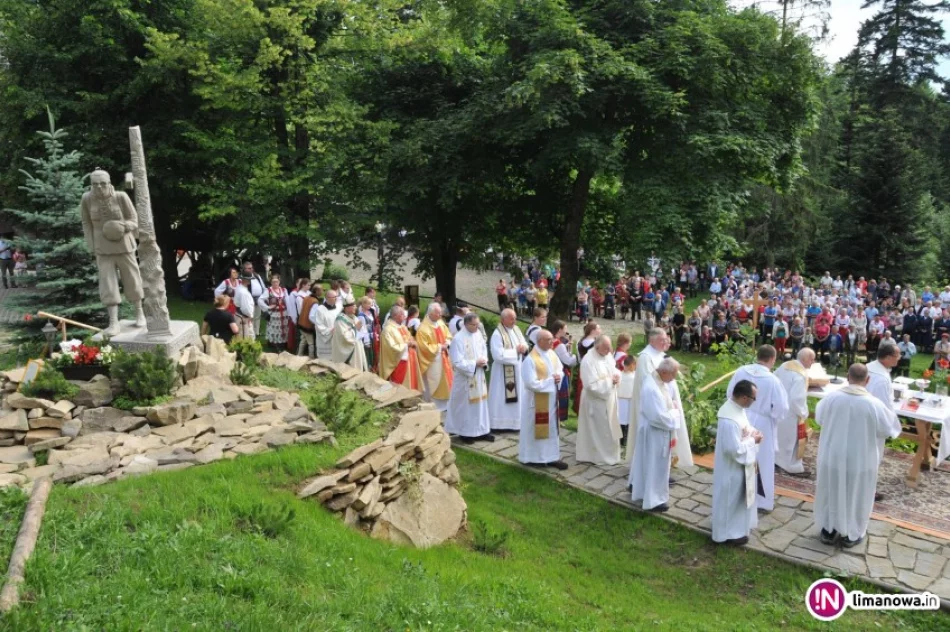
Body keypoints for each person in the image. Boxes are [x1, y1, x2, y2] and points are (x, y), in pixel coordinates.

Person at [814, 364, 902, 547]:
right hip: (860, 459)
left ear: (848, 376)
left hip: (833, 455)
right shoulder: (874, 404)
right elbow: (888, 429)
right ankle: (852, 534)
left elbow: (819, 418)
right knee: (857, 494)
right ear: (867, 380)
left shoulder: (831, 398)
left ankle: (829, 530)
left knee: (832, 489)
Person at [80, 169, 146, 335]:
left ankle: (139, 312)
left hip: (124, 245)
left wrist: (124, 227)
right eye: (95, 184)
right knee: (108, 284)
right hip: (102, 248)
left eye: (103, 183)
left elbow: (134, 219)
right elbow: (86, 223)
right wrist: (91, 245)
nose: (99, 187)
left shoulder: (120, 196)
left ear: (109, 183)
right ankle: (113, 322)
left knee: (132, 279)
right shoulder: (86, 199)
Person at [725, 345, 790, 511]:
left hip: (740, 416)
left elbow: (730, 393)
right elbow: (781, 408)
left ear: (757, 355)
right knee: (763, 460)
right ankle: (762, 501)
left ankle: (737, 493)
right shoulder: (773, 380)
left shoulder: (741, 371)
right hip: (763, 423)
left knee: (741, 455)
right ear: (773, 359)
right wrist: (772, 416)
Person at [711, 380, 762, 545]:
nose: (753, 402)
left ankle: (737, 530)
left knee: (738, 500)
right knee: (729, 500)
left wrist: (753, 433)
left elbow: (745, 428)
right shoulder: (729, 419)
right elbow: (733, 450)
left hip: (740, 467)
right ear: (745, 397)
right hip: (730, 468)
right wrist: (753, 441)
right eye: (753, 398)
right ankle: (725, 534)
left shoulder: (737, 410)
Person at [630, 357, 683, 512]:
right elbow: (659, 417)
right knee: (655, 465)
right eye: (673, 375)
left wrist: (671, 408)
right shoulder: (652, 388)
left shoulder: (659, 381)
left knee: (655, 465)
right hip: (655, 432)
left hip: (658, 431)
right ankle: (653, 500)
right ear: (665, 372)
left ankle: (651, 494)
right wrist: (675, 413)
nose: (674, 379)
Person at [519, 330, 567, 469]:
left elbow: (560, 369)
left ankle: (551, 457)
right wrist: (552, 380)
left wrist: (558, 376)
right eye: (549, 340)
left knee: (551, 428)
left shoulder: (551, 354)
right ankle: (535, 458)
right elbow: (531, 383)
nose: (552, 342)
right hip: (536, 402)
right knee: (537, 429)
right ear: (539, 341)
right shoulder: (530, 360)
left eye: (552, 339)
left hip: (551, 399)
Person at [445, 313, 493, 443]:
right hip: (466, 377)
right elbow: (457, 362)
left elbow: (484, 349)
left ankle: (482, 430)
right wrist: (474, 364)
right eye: (474, 324)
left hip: (479, 375)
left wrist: (484, 360)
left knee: (481, 404)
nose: (477, 327)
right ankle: (465, 432)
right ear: (466, 324)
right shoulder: (458, 339)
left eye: (478, 324)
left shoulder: (477, 334)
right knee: (466, 406)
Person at [576, 335, 623, 465]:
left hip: (610, 399)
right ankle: (597, 456)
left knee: (611, 427)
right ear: (597, 347)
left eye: (610, 347)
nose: (609, 350)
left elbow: (614, 369)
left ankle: (612, 454)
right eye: (606, 348)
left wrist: (617, 376)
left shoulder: (607, 355)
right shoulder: (588, 360)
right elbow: (590, 385)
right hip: (596, 401)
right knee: (599, 430)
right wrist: (610, 382)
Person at [774, 348, 815, 476]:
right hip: (791, 413)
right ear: (805, 359)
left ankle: (776, 460)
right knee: (791, 440)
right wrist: (803, 413)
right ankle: (791, 466)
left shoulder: (785, 365)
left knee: (779, 437)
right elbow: (797, 399)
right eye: (812, 359)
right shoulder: (800, 375)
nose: (812, 363)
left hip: (778, 408)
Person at [488, 309, 528, 432]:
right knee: (501, 397)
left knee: (517, 397)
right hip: (502, 373)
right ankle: (499, 424)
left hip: (517, 370)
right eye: (511, 318)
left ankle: (515, 423)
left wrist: (523, 348)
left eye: (514, 318)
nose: (514, 321)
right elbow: (497, 355)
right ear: (503, 319)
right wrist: (516, 351)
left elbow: (524, 343)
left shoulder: (516, 329)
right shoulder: (497, 334)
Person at [417, 303, 453, 410]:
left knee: (447, 380)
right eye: (438, 313)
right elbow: (423, 347)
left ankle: (447, 404)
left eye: (440, 312)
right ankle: (435, 405)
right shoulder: (423, 329)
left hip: (445, 358)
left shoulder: (440, 323)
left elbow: (448, 335)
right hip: (434, 360)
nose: (440, 315)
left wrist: (447, 342)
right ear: (431, 313)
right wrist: (439, 347)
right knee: (434, 382)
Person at [379, 306, 422, 389]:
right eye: (402, 314)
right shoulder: (388, 330)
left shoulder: (402, 326)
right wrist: (407, 345)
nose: (405, 316)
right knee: (400, 387)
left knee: (411, 385)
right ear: (395, 316)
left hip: (410, 359)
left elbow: (409, 337)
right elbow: (390, 348)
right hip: (399, 362)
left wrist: (413, 342)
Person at [550, 320, 577, 423]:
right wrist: (576, 357)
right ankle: (560, 418)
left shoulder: (552, 341)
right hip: (560, 371)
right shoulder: (559, 345)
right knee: (561, 396)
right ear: (560, 330)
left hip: (552, 370)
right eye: (565, 329)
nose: (566, 331)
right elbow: (568, 361)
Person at [331, 297, 368, 371]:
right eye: (353, 306)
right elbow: (345, 337)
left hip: (357, 347)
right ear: (347, 308)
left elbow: (361, 330)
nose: (356, 307)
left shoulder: (354, 317)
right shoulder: (340, 320)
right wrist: (355, 329)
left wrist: (362, 328)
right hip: (348, 350)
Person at [259, 274, 289, 348]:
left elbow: (288, 301)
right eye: (273, 282)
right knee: (274, 327)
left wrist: (289, 311)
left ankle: (283, 342)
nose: (275, 283)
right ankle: (274, 343)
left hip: (284, 313)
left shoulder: (284, 290)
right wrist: (267, 307)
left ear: (279, 282)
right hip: (274, 313)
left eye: (276, 281)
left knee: (284, 327)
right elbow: (260, 300)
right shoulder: (268, 290)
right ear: (271, 282)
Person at [311, 289, 341, 358]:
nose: (336, 299)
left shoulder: (338, 308)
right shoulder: (320, 309)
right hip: (326, 338)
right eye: (334, 297)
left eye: (336, 297)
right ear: (327, 298)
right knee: (326, 359)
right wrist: (330, 331)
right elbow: (318, 325)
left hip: (336, 336)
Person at [242, 261, 267, 338]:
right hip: (249, 299)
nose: (251, 269)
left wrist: (264, 296)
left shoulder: (256, 276)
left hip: (258, 298)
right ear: (244, 269)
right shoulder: (243, 278)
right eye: (249, 268)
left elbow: (263, 286)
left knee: (257, 316)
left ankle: (256, 332)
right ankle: (250, 332)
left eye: (251, 268)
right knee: (250, 316)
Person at [617, 355, 637, 450]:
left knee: (626, 421)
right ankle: (623, 440)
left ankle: (624, 440)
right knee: (624, 421)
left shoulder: (632, 375)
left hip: (627, 400)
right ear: (631, 365)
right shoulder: (626, 376)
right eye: (634, 365)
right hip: (624, 401)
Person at [233, 274, 257, 339]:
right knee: (246, 337)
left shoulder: (240, 287)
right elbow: (245, 308)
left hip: (239, 315)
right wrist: (250, 316)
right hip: (244, 317)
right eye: (249, 279)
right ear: (245, 280)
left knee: (244, 336)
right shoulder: (243, 292)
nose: (250, 281)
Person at [356, 297, 377, 371]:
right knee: (367, 353)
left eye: (371, 303)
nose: (370, 305)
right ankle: (367, 368)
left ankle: (372, 367)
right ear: (363, 304)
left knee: (373, 352)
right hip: (366, 337)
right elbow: (363, 329)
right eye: (368, 303)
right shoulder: (361, 316)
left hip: (372, 336)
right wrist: (366, 341)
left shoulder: (370, 313)